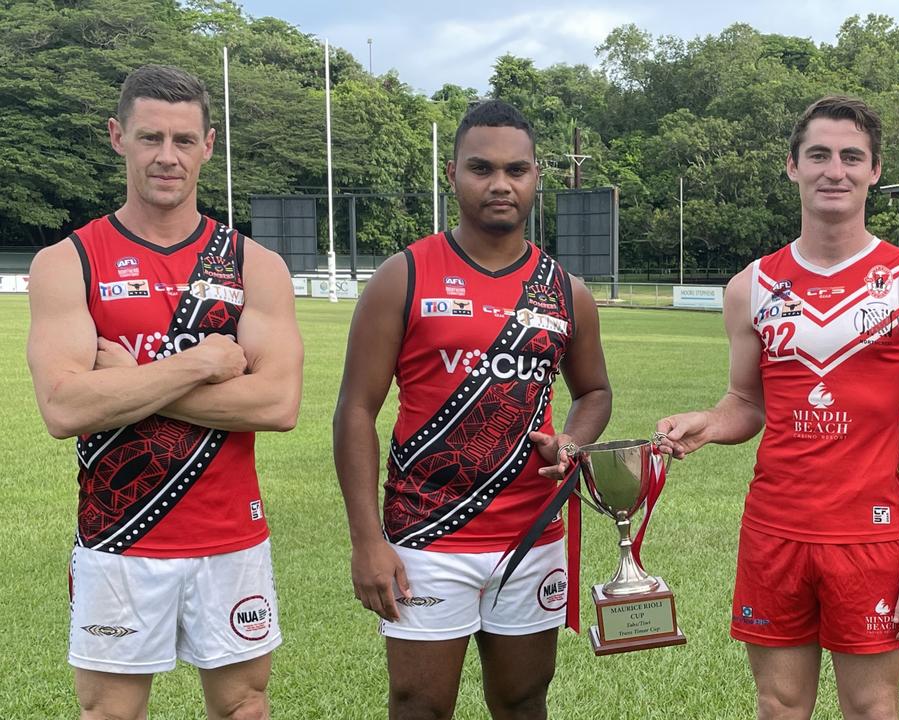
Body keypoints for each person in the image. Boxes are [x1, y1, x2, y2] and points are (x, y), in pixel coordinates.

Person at [656, 96, 899, 720]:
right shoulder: (751, 286)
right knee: (778, 704)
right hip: (775, 529)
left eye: (852, 157)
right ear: (792, 166)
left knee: (873, 705)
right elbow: (745, 401)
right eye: (818, 155)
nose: (835, 170)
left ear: (875, 171)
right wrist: (708, 424)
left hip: (868, 533)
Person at [26, 65, 303, 720]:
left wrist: (124, 382)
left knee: (244, 707)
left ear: (209, 145)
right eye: (151, 138)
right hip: (118, 539)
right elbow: (64, 407)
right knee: (110, 715)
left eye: (183, 140)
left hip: (231, 537)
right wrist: (200, 363)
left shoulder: (253, 266)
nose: (167, 157)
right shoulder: (69, 262)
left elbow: (277, 405)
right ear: (118, 136)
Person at [333, 100, 611, 720]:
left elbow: (594, 392)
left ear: (537, 175)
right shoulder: (402, 276)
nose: (500, 184)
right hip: (426, 536)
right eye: (482, 168)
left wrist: (571, 440)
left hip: (532, 533)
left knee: (521, 700)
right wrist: (366, 539)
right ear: (454, 175)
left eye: (517, 170)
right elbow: (355, 409)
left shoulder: (566, 292)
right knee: (420, 704)